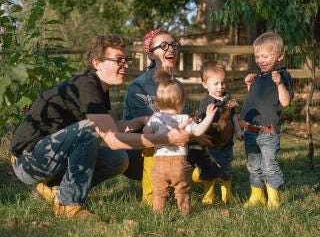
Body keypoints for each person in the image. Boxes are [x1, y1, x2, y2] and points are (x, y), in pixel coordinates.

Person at [10, 35, 194, 220]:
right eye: (118, 60)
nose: (126, 65)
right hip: (29, 161)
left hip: (50, 158)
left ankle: (52, 189)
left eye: (126, 60)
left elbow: (115, 128)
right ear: (97, 63)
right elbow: (113, 139)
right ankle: (68, 204)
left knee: (119, 160)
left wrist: (142, 120)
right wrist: (167, 139)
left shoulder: (101, 88)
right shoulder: (86, 85)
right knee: (90, 129)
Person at [122, 29, 185, 205]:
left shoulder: (177, 85)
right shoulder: (139, 86)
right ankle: (155, 193)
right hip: (139, 151)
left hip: (170, 144)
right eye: (163, 46)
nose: (171, 49)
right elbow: (146, 127)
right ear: (150, 54)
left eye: (174, 45)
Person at [143, 69, 217, 216]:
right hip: (179, 164)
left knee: (159, 191)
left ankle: (158, 215)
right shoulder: (184, 118)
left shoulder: (155, 117)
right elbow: (198, 131)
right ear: (180, 102)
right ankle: (185, 212)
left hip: (159, 164)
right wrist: (208, 116)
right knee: (182, 190)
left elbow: (146, 134)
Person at [240, 31, 294, 209]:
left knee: (269, 165)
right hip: (252, 130)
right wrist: (250, 85)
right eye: (257, 56)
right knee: (253, 165)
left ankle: (273, 199)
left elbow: (285, 102)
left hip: (269, 131)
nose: (260, 60)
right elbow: (256, 102)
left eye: (265, 56)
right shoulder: (259, 76)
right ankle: (257, 196)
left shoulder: (282, 76)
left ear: (280, 55)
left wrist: (279, 83)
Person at [190, 61, 244, 205]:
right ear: (205, 84)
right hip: (212, 143)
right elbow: (201, 122)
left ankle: (227, 195)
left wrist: (238, 130)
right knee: (212, 169)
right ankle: (209, 195)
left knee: (227, 169)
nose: (220, 87)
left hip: (227, 143)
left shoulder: (227, 98)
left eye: (223, 83)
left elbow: (233, 116)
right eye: (216, 84)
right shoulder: (206, 102)